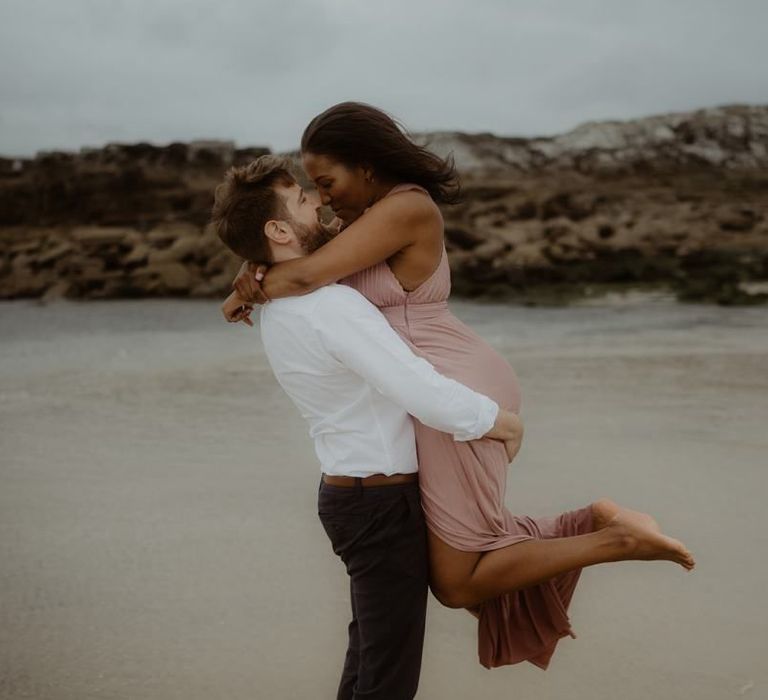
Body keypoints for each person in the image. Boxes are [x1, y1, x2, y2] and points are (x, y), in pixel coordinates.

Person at [222, 102, 695, 670]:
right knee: (463, 559)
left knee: (458, 581)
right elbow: (294, 257)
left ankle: (615, 541)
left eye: (326, 182)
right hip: (435, 393)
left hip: (452, 388)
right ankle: (593, 521)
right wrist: (251, 269)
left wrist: (248, 286)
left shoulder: (407, 208)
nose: (322, 198)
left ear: (366, 165)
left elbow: (300, 273)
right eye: (311, 190)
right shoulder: (358, 223)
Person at [210, 155, 524, 700]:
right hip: (378, 503)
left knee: (371, 661)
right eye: (304, 199)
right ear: (279, 230)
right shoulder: (330, 306)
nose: (319, 201)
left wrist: (251, 279)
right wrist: (498, 422)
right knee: (388, 677)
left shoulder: (282, 308)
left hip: (353, 495)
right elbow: (418, 389)